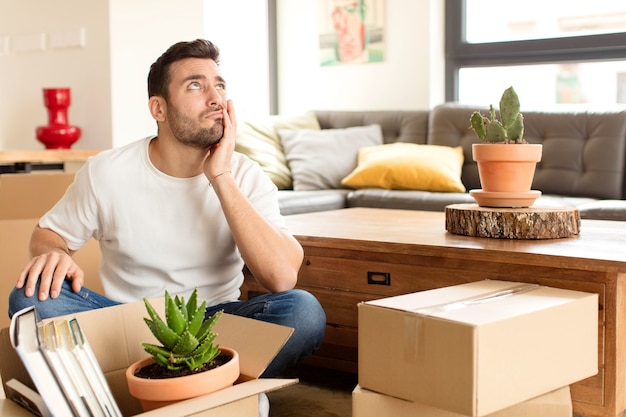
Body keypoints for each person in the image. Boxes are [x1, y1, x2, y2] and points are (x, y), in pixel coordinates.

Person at [8, 39, 326, 381]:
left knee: (303, 312)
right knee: (31, 297)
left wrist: (220, 177)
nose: (215, 97)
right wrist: (54, 253)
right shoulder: (107, 172)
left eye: (219, 85)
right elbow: (48, 234)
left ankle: (159, 383)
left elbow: (281, 277)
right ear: (158, 109)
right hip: (129, 326)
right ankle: (209, 383)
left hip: (214, 326)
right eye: (195, 86)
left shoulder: (245, 174)